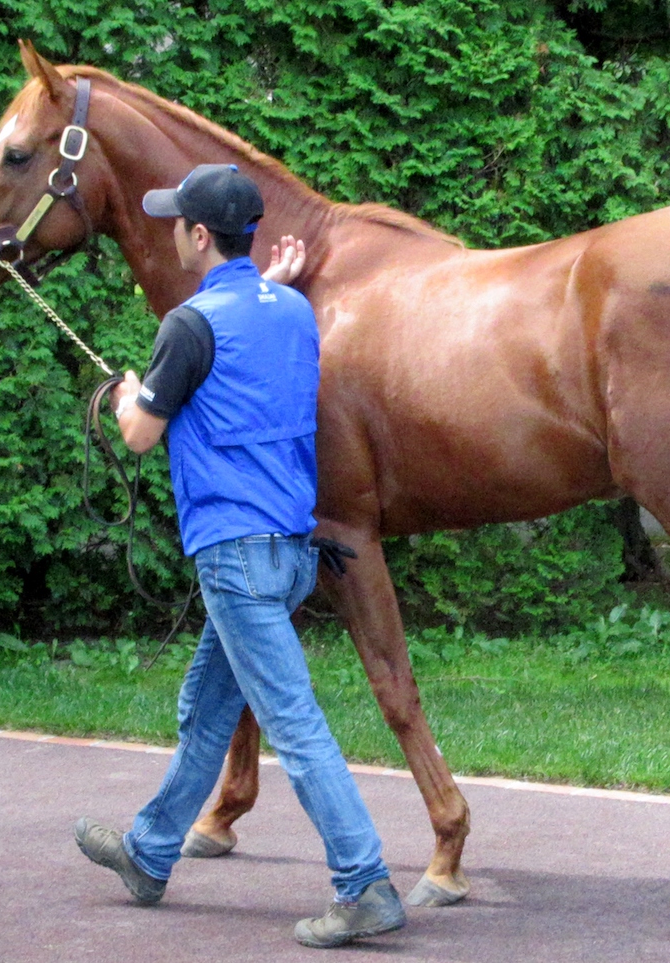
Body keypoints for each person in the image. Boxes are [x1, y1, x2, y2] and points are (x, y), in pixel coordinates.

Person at [73, 164, 405, 949]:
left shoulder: (188, 325)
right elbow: (258, 332)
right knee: (206, 709)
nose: (169, 231)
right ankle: (151, 853)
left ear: (198, 236)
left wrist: (127, 396)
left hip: (236, 558)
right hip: (290, 556)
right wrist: (275, 279)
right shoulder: (289, 308)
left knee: (295, 724)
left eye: (175, 221)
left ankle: (364, 883)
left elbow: (140, 434)